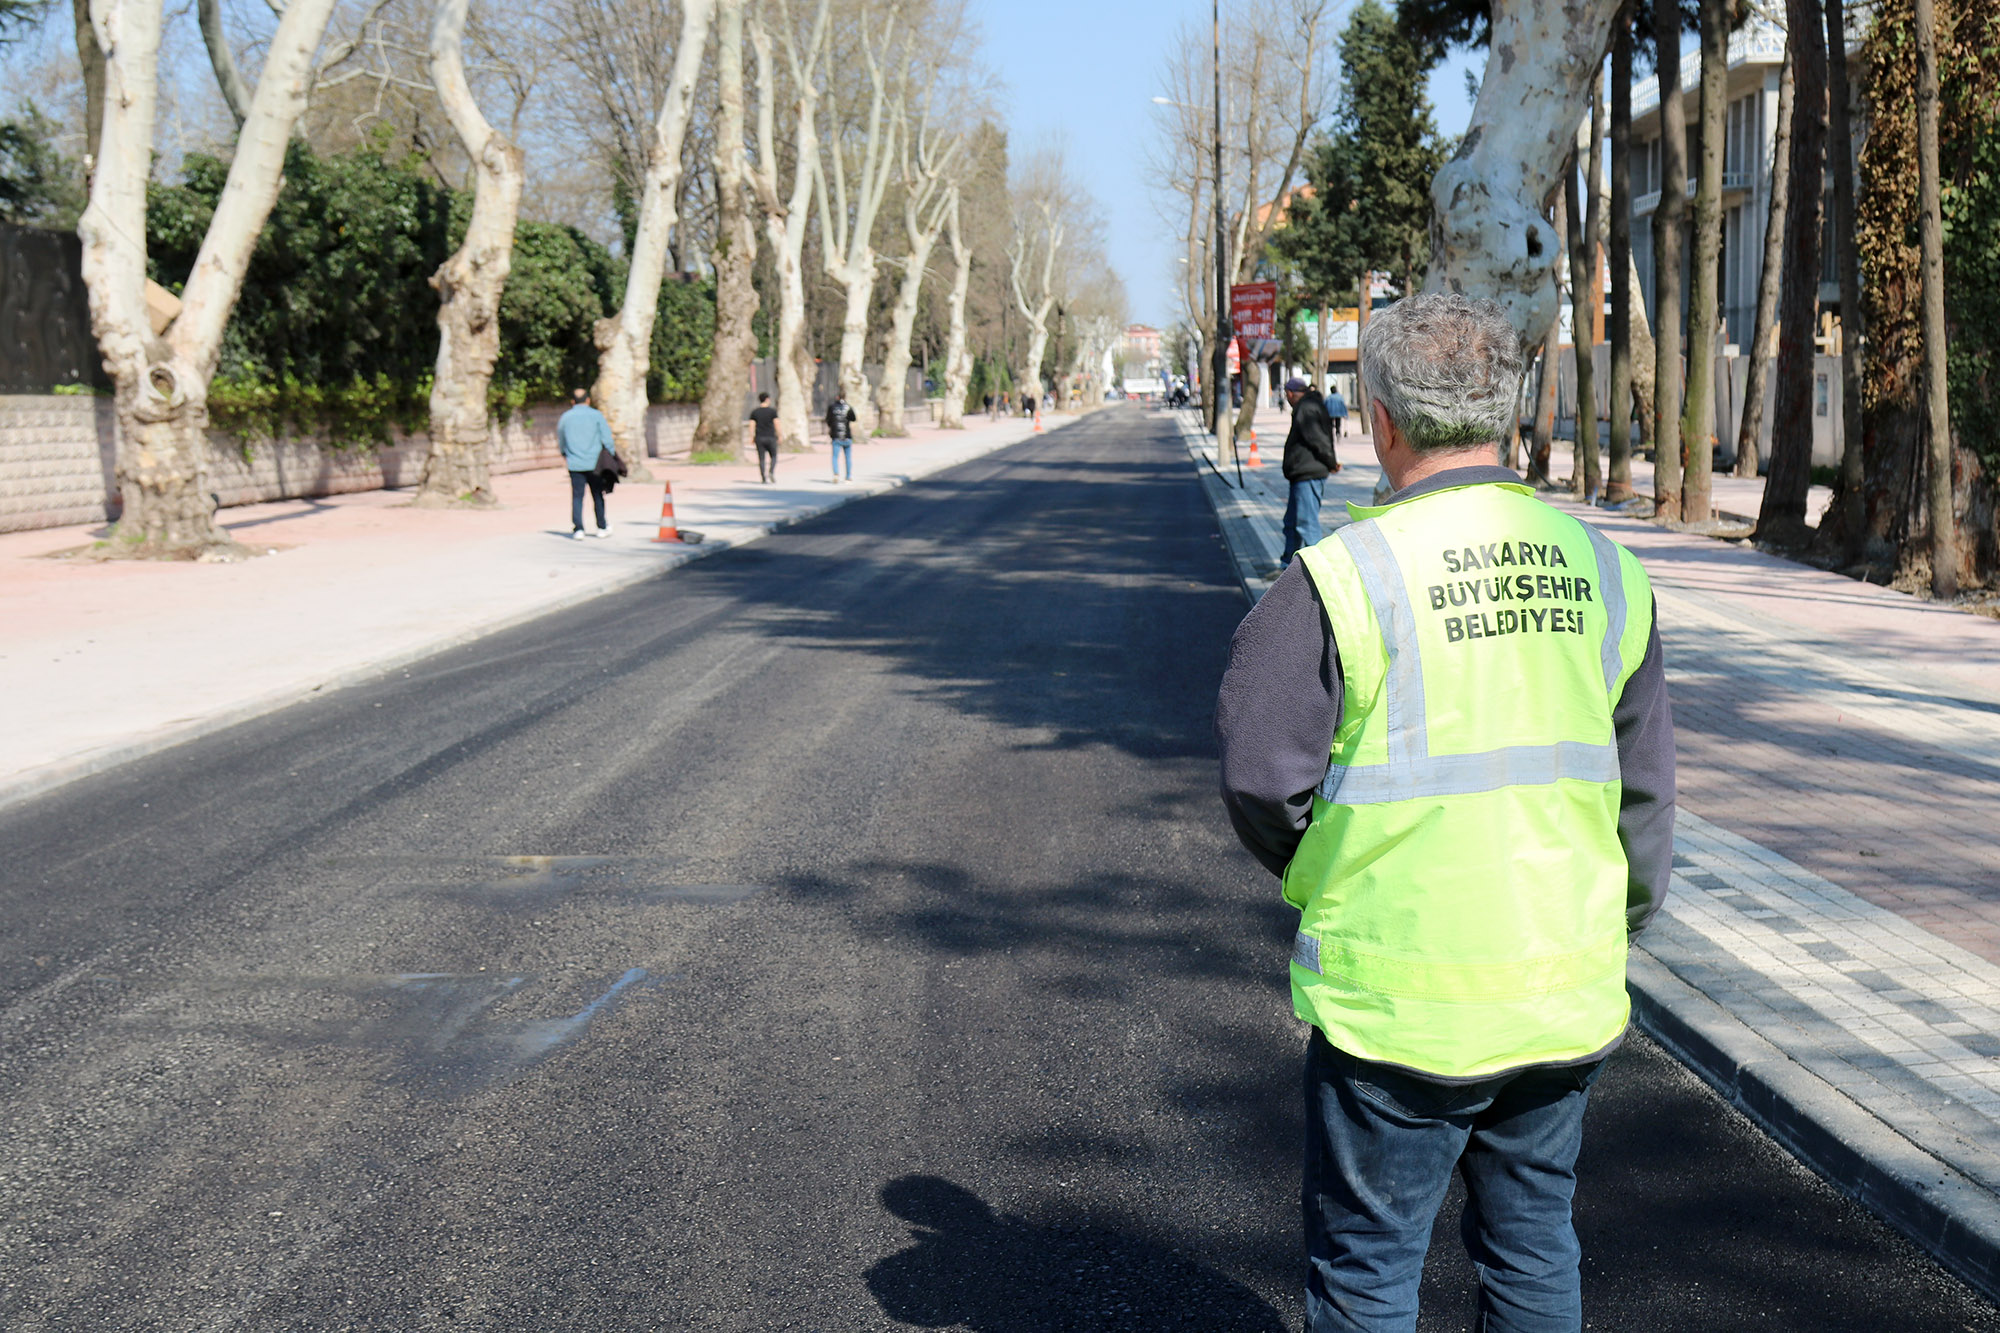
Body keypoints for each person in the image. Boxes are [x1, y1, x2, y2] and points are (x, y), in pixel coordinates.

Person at [1215, 292, 1675, 1333]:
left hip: (1398, 1006)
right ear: (1505, 414)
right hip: (1560, 986)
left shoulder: (1340, 580)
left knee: (1368, 1270)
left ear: (1375, 420)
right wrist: (1611, 922)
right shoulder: (1606, 570)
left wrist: (1316, 868)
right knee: (1530, 1249)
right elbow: (1642, 791)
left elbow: (1257, 775)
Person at [1279, 376, 1340, 568]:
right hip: (1302, 473)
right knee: (1292, 523)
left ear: (1290, 393)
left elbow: (1318, 439)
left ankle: (1320, 571)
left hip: (1308, 474)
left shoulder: (1306, 409)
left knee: (1306, 523)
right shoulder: (1310, 405)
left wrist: (1331, 462)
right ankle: (1288, 564)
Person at [557, 387, 615, 539]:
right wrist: (611, 455)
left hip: (575, 463)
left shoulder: (566, 417)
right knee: (597, 495)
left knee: (577, 496)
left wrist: (565, 454)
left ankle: (578, 529)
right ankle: (601, 527)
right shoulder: (596, 415)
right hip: (595, 463)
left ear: (572, 401)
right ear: (588, 400)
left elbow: (561, 440)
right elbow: (607, 439)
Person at [826, 393, 858, 481]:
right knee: (848, 457)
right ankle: (848, 477)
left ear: (837, 397)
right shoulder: (848, 407)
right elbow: (854, 418)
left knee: (835, 456)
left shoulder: (832, 407)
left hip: (836, 436)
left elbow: (828, 420)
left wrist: (832, 427)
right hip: (847, 435)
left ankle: (836, 473)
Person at [749, 392, 780, 484]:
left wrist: (752, 437)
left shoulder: (755, 412)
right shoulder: (772, 411)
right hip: (771, 437)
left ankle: (763, 476)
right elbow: (777, 424)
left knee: (761, 458)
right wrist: (780, 435)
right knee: (773, 456)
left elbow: (751, 425)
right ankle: (771, 472)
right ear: (767, 399)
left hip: (759, 437)